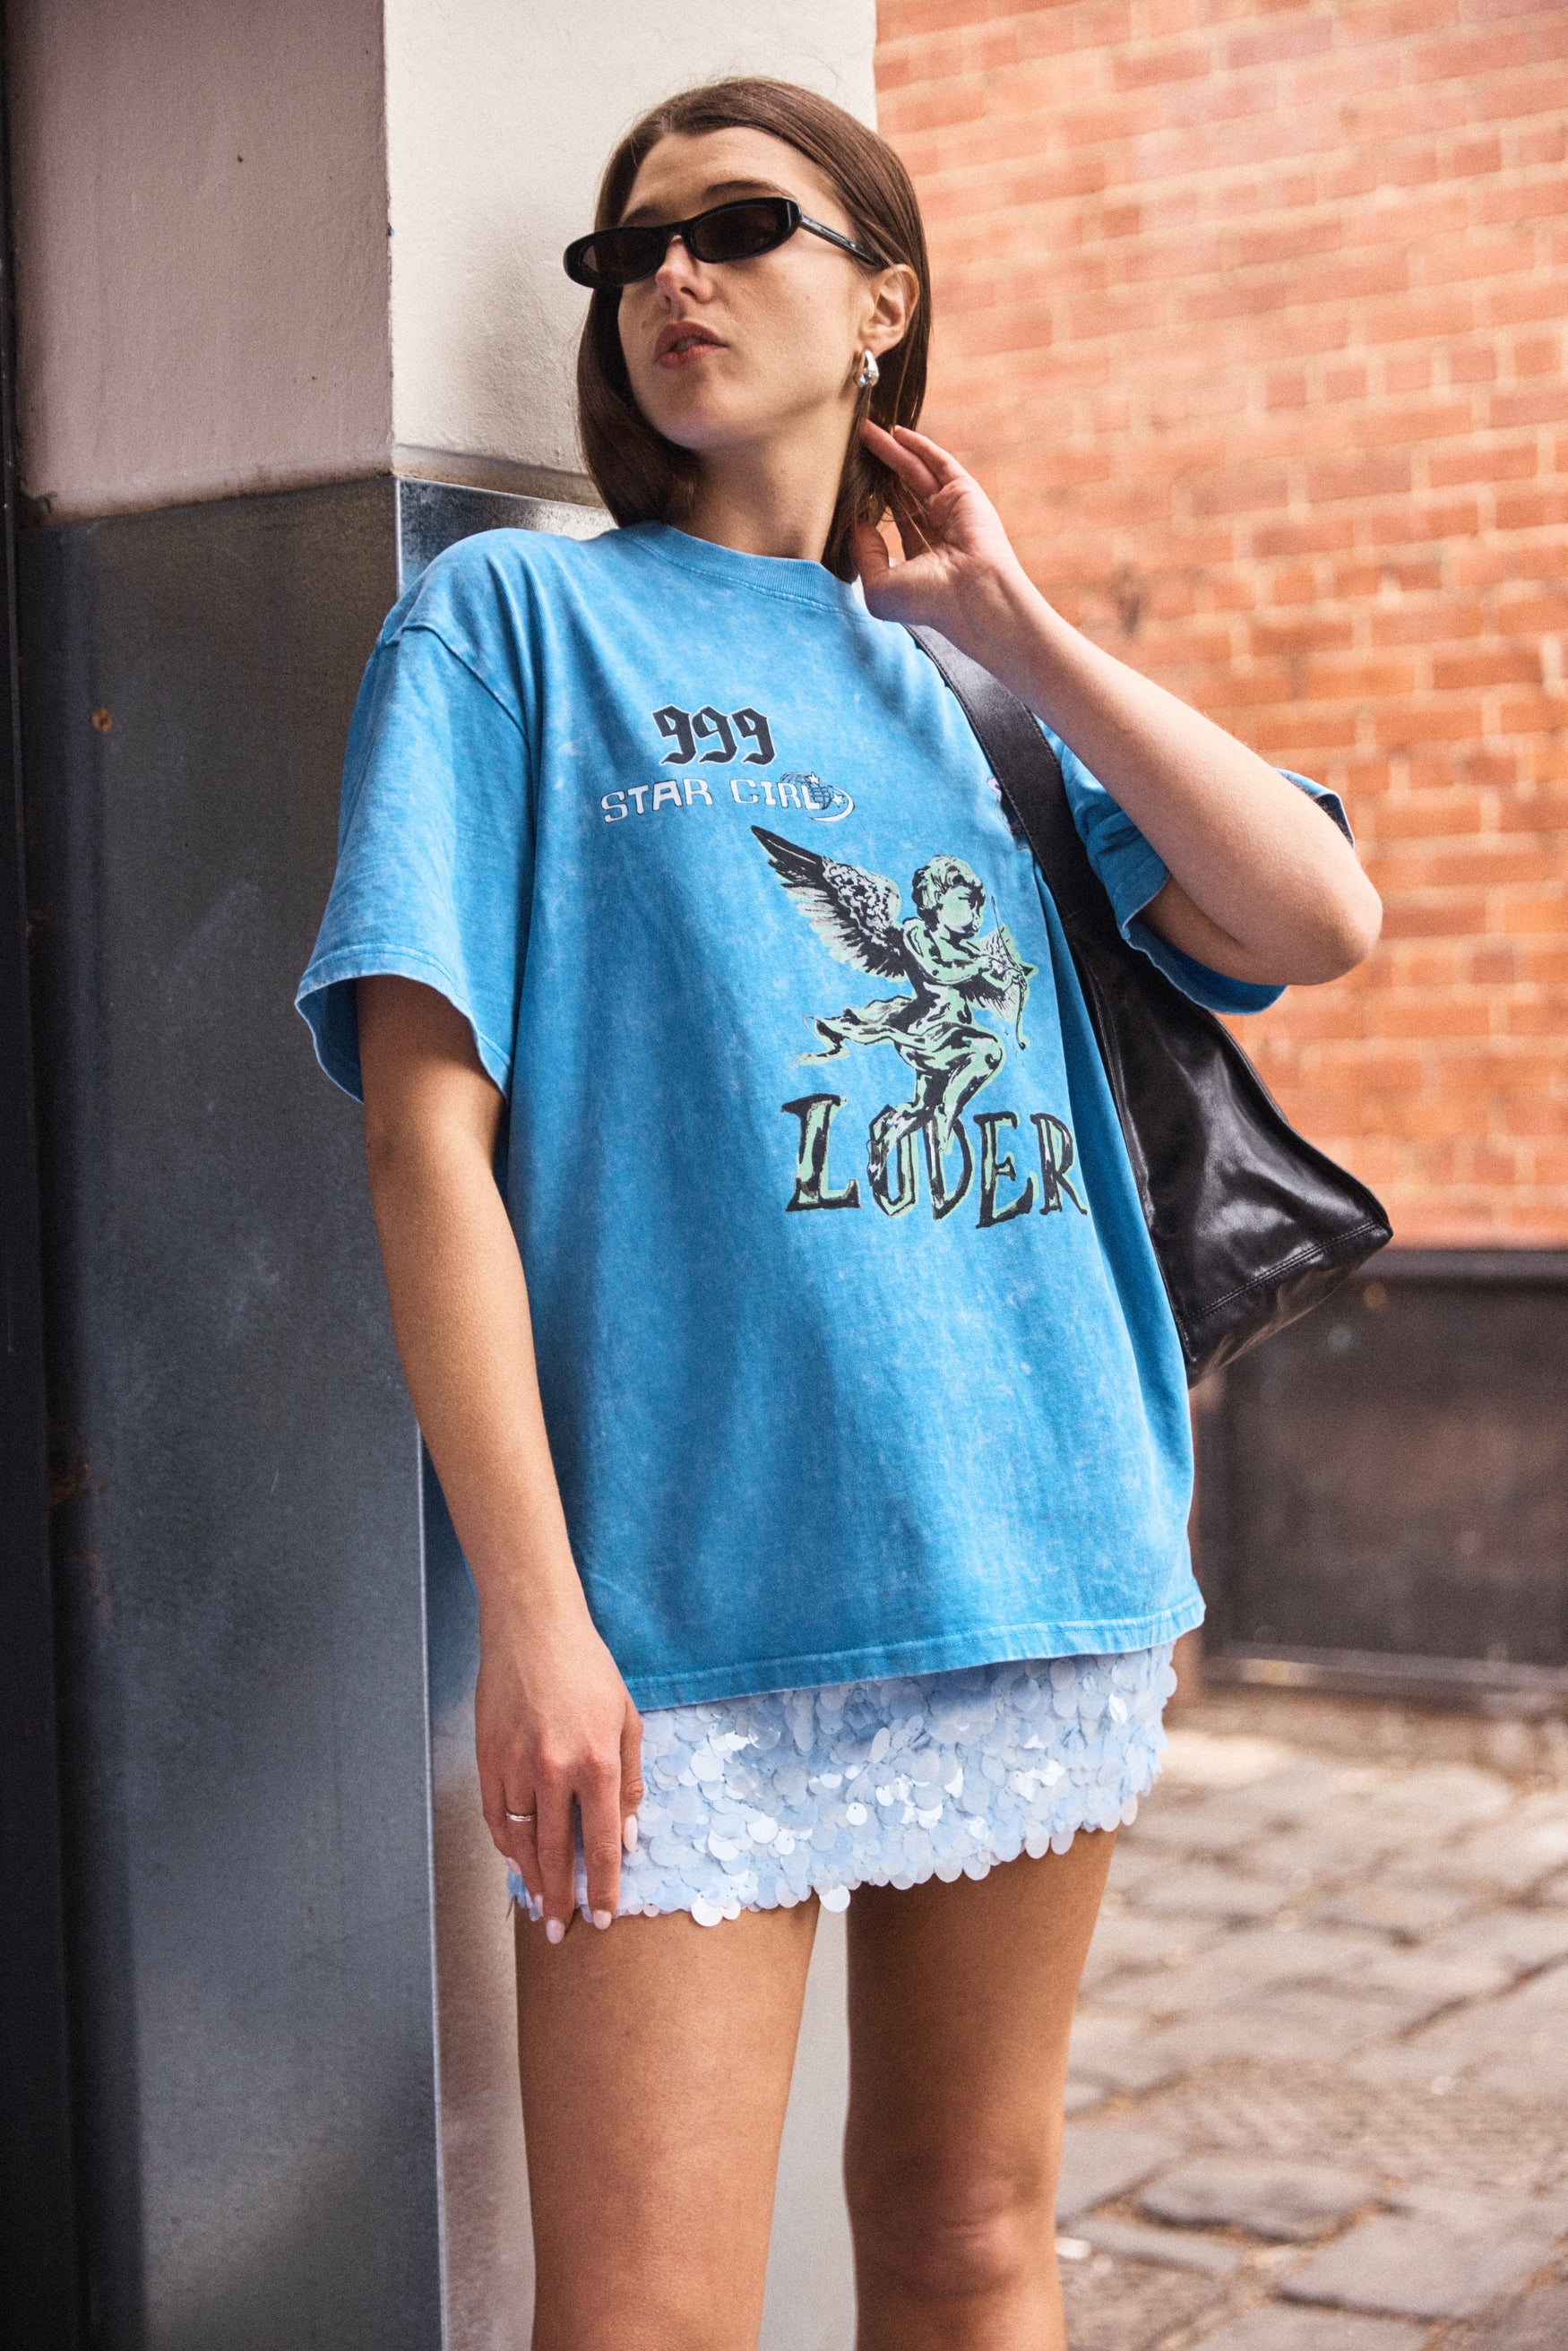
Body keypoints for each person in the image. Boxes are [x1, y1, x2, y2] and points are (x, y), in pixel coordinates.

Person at [296, 75, 1381, 2351]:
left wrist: (1013, 615)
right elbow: (426, 1145)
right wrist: (534, 1617)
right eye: (628, 252)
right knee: (645, 2317)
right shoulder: (513, 627)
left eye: (740, 225)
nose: (669, 277)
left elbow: (1311, 913)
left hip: (1038, 1541)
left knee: (971, 2235)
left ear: (880, 299)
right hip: (675, 1611)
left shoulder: (972, 688)